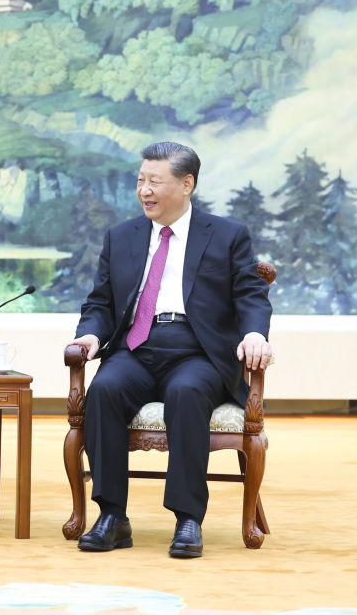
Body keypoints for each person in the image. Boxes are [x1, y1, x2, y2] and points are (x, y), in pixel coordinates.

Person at [67, 141, 272, 558]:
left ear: (186, 184)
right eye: (140, 180)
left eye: (155, 182)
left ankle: (188, 519)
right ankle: (112, 516)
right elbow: (101, 302)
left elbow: (251, 295)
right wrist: (89, 335)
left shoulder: (227, 235)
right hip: (136, 347)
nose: (144, 190)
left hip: (198, 351)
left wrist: (255, 334)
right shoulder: (121, 236)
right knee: (104, 389)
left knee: (187, 392)